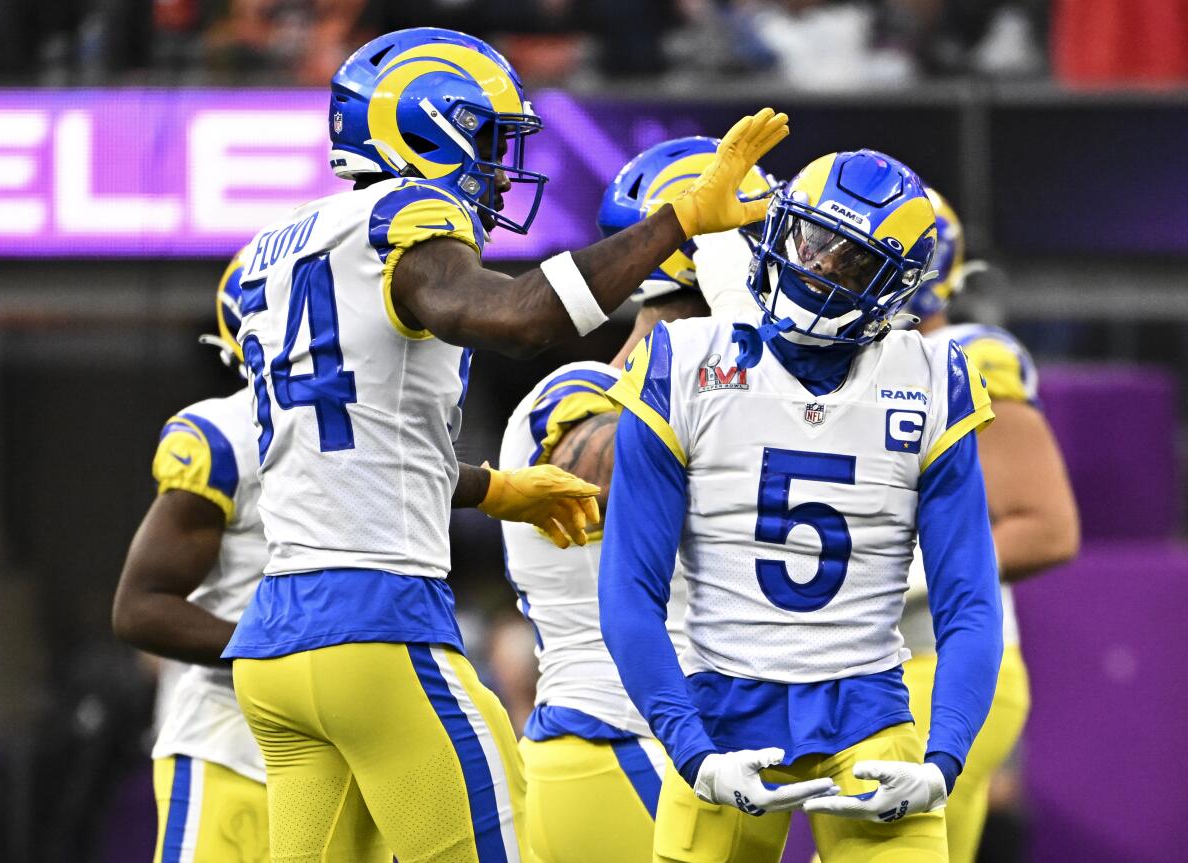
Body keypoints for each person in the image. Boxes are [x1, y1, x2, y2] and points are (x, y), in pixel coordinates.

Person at [221, 26, 790, 863]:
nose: (497, 169)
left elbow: (348, 438)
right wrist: (677, 225)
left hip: (277, 643)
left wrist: (489, 488)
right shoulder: (406, 214)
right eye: (488, 141)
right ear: (422, 129)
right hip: (375, 627)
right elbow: (522, 319)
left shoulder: (275, 250)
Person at [599, 150, 1004, 863]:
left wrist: (943, 760)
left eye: (848, 261)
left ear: (895, 288)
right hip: (721, 710)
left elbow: (967, 600)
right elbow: (630, 589)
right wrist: (691, 751)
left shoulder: (933, 376)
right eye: (806, 239)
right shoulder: (685, 361)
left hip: (870, 713)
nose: (814, 265)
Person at [497, 137, 774, 863]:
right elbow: (596, 471)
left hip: (678, 749)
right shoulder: (575, 394)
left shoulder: (735, 392)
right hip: (617, 741)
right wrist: (746, 346)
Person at [112, 254, 388, 862]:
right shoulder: (226, 433)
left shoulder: (383, 429)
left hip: (351, 749)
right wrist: (288, 653)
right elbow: (139, 609)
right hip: (232, 745)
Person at [897, 188, 1080, 863]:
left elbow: (1048, 527)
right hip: (874, 668)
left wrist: (904, 578)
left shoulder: (961, 360)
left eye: (843, 255)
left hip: (932, 664)